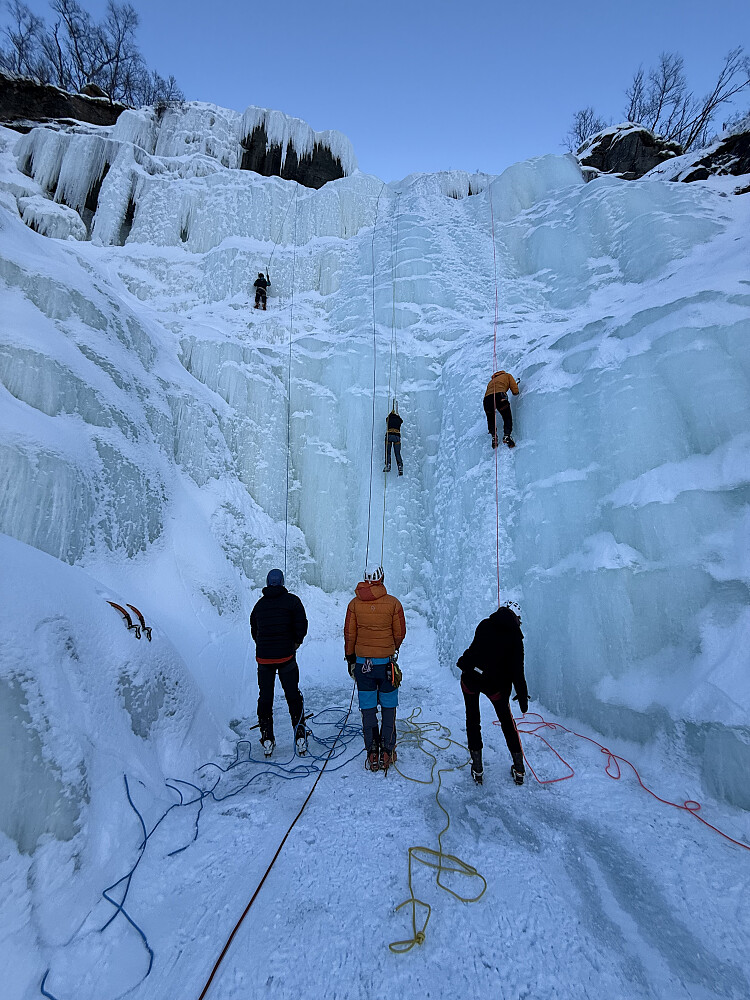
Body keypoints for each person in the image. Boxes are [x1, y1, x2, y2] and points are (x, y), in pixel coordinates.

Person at [457, 602, 529, 785]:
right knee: (507, 722)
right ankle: (519, 769)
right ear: (516, 618)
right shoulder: (515, 637)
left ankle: (478, 768)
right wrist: (522, 697)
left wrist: (465, 664)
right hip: (496, 686)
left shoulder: (484, 624)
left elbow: (474, 650)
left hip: (471, 678)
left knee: (472, 720)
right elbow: (517, 672)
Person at [344, 565, 406, 773]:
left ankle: (372, 752)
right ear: (382, 578)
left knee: (368, 709)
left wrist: (350, 658)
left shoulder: (354, 604)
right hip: (386, 664)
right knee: (389, 708)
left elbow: (350, 636)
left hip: (363, 665)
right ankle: (387, 750)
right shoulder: (393, 603)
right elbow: (400, 633)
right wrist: (391, 647)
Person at [250, 568, 308, 756]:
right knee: (293, 695)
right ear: (282, 582)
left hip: (264, 659)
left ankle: (267, 738)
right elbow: (301, 624)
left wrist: (264, 646)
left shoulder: (259, 605)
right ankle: (300, 735)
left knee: (265, 697)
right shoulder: (293, 601)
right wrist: (295, 643)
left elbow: (254, 630)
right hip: (286, 657)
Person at [484, 370, 519, 448]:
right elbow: (515, 389)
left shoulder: (491, 382)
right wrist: (516, 392)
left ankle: (494, 437)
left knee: (490, 418)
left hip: (487, 400)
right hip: (499, 396)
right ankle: (507, 436)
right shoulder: (507, 376)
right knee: (507, 417)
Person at [383, 400, 404, 476]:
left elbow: (386, 420)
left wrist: (390, 414)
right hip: (397, 436)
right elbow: (401, 421)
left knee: (388, 452)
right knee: (397, 453)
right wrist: (398, 415)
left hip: (389, 435)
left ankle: (388, 465)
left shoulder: (389, 418)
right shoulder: (398, 419)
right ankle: (400, 466)